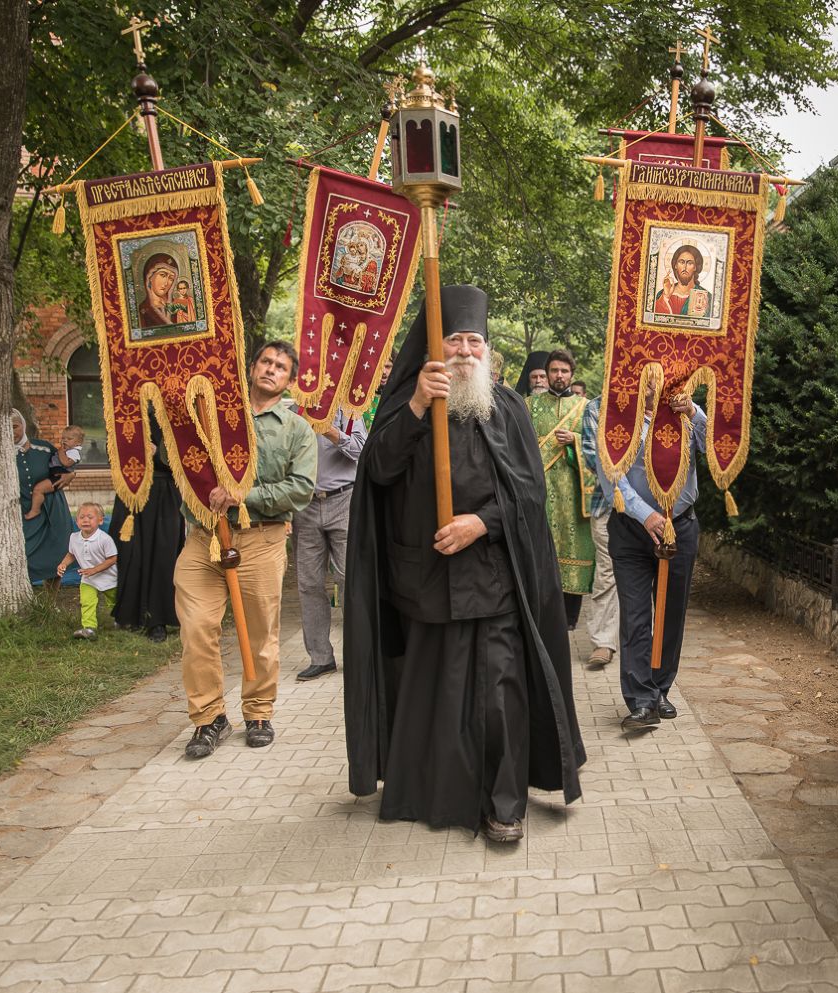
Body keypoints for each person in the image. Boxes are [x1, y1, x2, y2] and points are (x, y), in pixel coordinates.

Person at [344, 285, 586, 843]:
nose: (465, 351)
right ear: (435, 346)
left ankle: (504, 804)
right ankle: (440, 796)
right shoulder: (406, 402)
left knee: (500, 691)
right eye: (454, 340)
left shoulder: (507, 407)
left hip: (493, 578)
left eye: (474, 341)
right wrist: (413, 407)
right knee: (438, 694)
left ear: (487, 349)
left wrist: (481, 523)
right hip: (424, 580)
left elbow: (529, 494)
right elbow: (378, 473)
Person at [174, 340, 317, 759]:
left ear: (290, 380)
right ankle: (209, 718)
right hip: (205, 539)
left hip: (260, 540)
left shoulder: (296, 429)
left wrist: (243, 495)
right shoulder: (213, 415)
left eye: (281, 367)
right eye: (266, 362)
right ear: (252, 367)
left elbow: (301, 488)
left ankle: (258, 712)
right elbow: (178, 456)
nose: (271, 369)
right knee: (197, 628)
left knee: (259, 634)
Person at [608, 379, 705, 729]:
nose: (652, 380)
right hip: (632, 529)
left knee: (671, 614)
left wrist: (694, 412)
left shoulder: (685, 413)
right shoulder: (616, 416)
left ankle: (660, 689)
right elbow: (611, 474)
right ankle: (641, 701)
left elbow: (716, 450)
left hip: (680, 526)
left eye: (659, 372)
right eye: (645, 372)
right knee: (636, 616)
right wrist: (645, 515)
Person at [292, 407, 367, 680]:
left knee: (349, 580)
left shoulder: (348, 409)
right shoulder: (295, 411)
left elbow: (363, 451)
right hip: (306, 504)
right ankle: (321, 658)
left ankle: (358, 657)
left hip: (344, 499)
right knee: (309, 583)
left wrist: (331, 432)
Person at [525, 349, 595, 631]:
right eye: (554, 370)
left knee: (572, 550)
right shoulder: (529, 405)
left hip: (573, 495)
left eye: (564, 371)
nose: (559, 375)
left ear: (572, 375)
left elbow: (597, 449)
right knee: (539, 552)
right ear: (546, 373)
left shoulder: (586, 407)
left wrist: (575, 440)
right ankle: (539, 615)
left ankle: (569, 619)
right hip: (539, 492)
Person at [110, 411, 185, 642]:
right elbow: (112, 452)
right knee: (131, 553)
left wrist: (157, 453)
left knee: (163, 557)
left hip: (163, 493)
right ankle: (130, 614)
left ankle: (158, 620)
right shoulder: (125, 411)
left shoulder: (175, 414)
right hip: (131, 494)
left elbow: (185, 457)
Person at [13, 409, 76, 586]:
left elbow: (64, 467)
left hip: (53, 509)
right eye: (6, 427)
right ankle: (22, 596)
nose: (11, 431)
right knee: (24, 554)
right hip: (23, 511)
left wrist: (71, 474)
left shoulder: (44, 448)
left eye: (15, 426)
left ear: (23, 425)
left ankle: (50, 599)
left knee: (56, 554)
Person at [580, 396, 619, 669]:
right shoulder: (596, 408)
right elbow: (594, 459)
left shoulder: (658, 402)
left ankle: (641, 639)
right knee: (607, 573)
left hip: (654, 509)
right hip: (608, 504)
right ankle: (603, 642)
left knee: (645, 573)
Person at [57, 502, 119, 640]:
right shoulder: (74, 537)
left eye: (90, 517)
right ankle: (89, 628)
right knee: (87, 602)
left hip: (109, 578)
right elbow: (71, 554)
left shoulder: (104, 539)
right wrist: (63, 564)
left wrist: (94, 570)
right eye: (82, 517)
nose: (85, 520)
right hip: (88, 579)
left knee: (115, 601)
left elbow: (112, 559)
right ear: (76, 521)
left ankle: (122, 619)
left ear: (100, 520)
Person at [25, 424, 83, 520]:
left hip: (58, 476)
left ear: (78, 443)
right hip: (54, 473)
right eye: (63, 438)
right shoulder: (66, 450)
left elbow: (66, 463)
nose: (65, 441)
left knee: (38, 490)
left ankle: (35, 510)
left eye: (69, 439)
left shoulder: (74, 452)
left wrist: (60, 452)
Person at [654, 245, 711, 318]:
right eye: (681, 262)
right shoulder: (662, 294)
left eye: (690, 263)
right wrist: (666, 297)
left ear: (695, 267)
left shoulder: (705, 296)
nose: (685, 267)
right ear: (675, 265)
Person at [138, 253, 179, 328]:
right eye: (162, 275)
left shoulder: (177, 306)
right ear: (150, 277)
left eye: (171, 278)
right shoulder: (143, 310)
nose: (166, 283)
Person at [362, 350, 397, 431]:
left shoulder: (400, 397)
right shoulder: (360, 398)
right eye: (380, 367)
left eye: (388, 367)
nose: (384, 372)